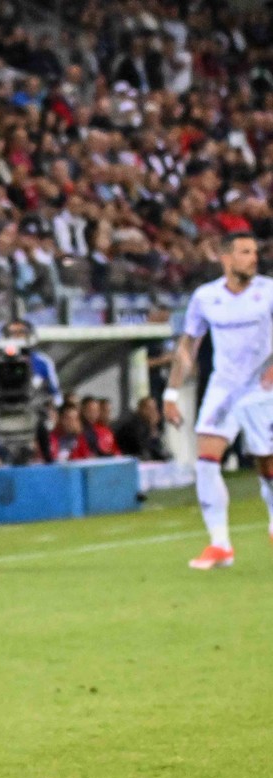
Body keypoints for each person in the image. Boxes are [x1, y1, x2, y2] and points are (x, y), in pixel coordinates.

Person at [162, 231, 273, 570]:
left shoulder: (268, 290)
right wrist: (171, 392)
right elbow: (188, 344)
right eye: (245, 252)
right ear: (226, 258)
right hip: (223, 388)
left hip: (262, 389)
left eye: (255, 252)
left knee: (266, 467)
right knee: (206, 461)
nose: (253, 258)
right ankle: (220, 545)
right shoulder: (205, 297)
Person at [112, 396, 168, 462]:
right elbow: (142, 448)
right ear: (141, 409)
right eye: (149, 409)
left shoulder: (146, 424)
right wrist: (152, 427)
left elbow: (158, 449)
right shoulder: (133, 424)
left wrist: (153, 427)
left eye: (154, 409)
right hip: (129, 460)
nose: (153, 412)